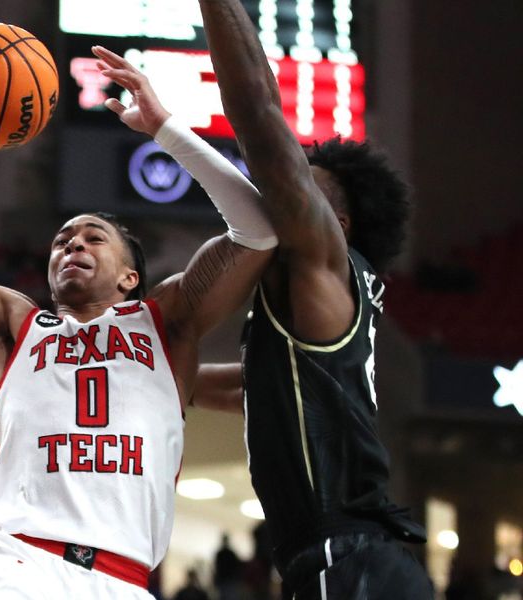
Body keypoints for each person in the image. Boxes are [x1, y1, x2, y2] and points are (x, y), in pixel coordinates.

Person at [0, 45, 276, 599]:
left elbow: (256, 230)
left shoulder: (167, 323)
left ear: (131, 277)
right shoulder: (11, 325)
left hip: (126, 580)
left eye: (92, 238)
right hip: (22, 564)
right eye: (62, 240)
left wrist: (164, 129)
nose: (72, 245)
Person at [192, 2, 434, 598]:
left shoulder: (324, 261)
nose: (283, 190)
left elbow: (257, 109)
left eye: (303, 185)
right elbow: (254, 389)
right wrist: (135, 374)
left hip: (348, 560)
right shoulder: (319, 313)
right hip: (348, 564)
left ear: (340, 224)